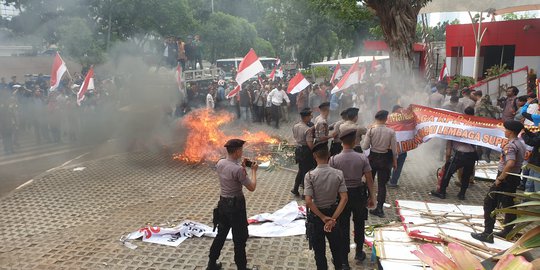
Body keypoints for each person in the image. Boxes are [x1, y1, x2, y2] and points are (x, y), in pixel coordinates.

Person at [471, 120, 526, 243]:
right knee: (509, 204)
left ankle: (487, 234)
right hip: (514, 177)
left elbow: (510, 163)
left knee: (489, 202)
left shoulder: (511, 145)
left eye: (505, 129)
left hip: (505, 178)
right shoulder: (520, 142)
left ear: (511, 131)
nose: (504, 131)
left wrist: (500, 178)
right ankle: (508, 231)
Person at [208, 139, 258, 270]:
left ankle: (211, 264)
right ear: (236, 152)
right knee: (239, 239)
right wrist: (253, 171)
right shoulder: (238, 170)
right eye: (241, 150)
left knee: (221, 235)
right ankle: (241, 267)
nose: (242, 152)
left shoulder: (220, 163)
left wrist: (240, 166)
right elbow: (252, 187)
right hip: (236, 208)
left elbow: (230, 172)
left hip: (223, 204)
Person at [330, 128, 375, 265]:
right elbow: (369, 179)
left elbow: (332, 181)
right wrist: (372, 197)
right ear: (355, 140)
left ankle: (344, 259)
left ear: (341, 141)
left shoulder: (334, 159)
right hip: (359, 195)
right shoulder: (362, 158)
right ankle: (359, 252)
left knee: (343, 226)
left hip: (341, 197)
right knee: (359, 224)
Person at [304, 141, 348, 270]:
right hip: (334, 215)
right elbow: (344, 198)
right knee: (336, 249)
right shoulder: (338, 173)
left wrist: (323, 218)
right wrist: (333, 219)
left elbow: (308, 201)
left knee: (319, 252)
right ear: (329, 155)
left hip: (317, 217)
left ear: (314, 156)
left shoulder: (310, 176)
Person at [430, 107, 478, 200]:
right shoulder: (477, 127)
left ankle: (442, 192)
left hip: (459, 156)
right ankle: (462, 194)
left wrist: (447, 161)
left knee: (447, 173)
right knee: (466, 176)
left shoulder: (456, 126)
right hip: (471, 156)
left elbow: (448, 149)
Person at [362, 110, 397, 218]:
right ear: (386, 119)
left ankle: (367, 202)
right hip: (385, 159)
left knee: (369, 181)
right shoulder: (391, 132)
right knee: (382, 185)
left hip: (372, 158)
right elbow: (394, 150)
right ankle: (380, 208)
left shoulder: (371, 130)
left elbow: (365, 147)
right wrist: (395, 161)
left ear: (376, 118)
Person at [291, 108, 316, 196]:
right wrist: (315, 151)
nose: (311, 117)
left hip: (298, 149)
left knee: (301, 170)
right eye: (310, 116)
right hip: (306, 151)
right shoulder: (307, 129)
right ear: (306, 117)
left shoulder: (296, 126)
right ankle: (305, 194)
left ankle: (295, 188)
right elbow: (310, 144)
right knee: (306, 172)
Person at [388, 105, 407, 188]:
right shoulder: (389, 120)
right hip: (391, 148)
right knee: (390, 165)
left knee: (396, 166)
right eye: (399, 112)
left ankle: (392, 181)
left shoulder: (387, 119)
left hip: (400, 148)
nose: (400, 114)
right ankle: (390, 181)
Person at [522, 128, 540, 192]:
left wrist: (523, 134)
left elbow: (532, 141)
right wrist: (527, 131)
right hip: (534, 164)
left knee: (537, 188)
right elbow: (535, 136)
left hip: (538, 166)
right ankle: (526, 200)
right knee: (529, 185)